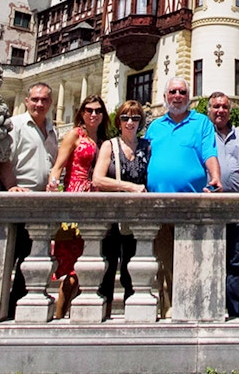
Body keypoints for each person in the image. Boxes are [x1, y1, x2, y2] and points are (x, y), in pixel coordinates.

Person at [144, 77, 223, 317]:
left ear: (188, 97)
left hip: (190, 203)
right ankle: (167, 309)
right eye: (172, 92)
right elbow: (144, 159)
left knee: (190, 260)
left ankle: (190, 307)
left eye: (182, 92)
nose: (177, 96)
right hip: (158, 203)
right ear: (165, 96)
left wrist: (216, 177)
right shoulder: (154, 127)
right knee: (163, 260)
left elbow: (209, 152)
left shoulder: (201, 123)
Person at [0, 82, 58, 320]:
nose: (39, 104)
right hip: (19, 200)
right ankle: (4, 306)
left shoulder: (52, 130)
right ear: (26, 101)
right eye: (35, 99)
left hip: (42, 203)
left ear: (50, 103)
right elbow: (3, 159)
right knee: (12, 255)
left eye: (44, 100)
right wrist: (11, 186)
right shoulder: (16, 125)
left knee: (34, 256)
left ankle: (20, 303)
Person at [46, 95, 109, 318]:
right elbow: (58, 166)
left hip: (97, 201)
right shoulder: (75, 135)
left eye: (98, 111)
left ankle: (80, 313)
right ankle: (61, 313)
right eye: (89, 110)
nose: (94, 114)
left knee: (91, 264)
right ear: (82, 112)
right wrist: (53, 185)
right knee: (72, 268)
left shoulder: (103, 140)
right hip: (75, 199)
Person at [91, 100, 150, 318]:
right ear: (119, 121)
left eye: (135, 118)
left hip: (136, 219)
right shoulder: (110, 145)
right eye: (125, 117)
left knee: (132, 269)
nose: (130, 122)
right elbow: (97, 179)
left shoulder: (147, 147)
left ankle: (132, 315)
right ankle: (103, 314)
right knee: (107, 265)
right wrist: (129, 187)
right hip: (112, 217)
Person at [207, 91, 239, 320]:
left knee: (236, 262)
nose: (220, 111)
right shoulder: (203, 137)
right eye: (216, 107)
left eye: (224, 107)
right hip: (210, 209)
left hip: (238, 208)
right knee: (210, 261)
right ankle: (212, 310)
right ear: (209, 110)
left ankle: (235, 311)